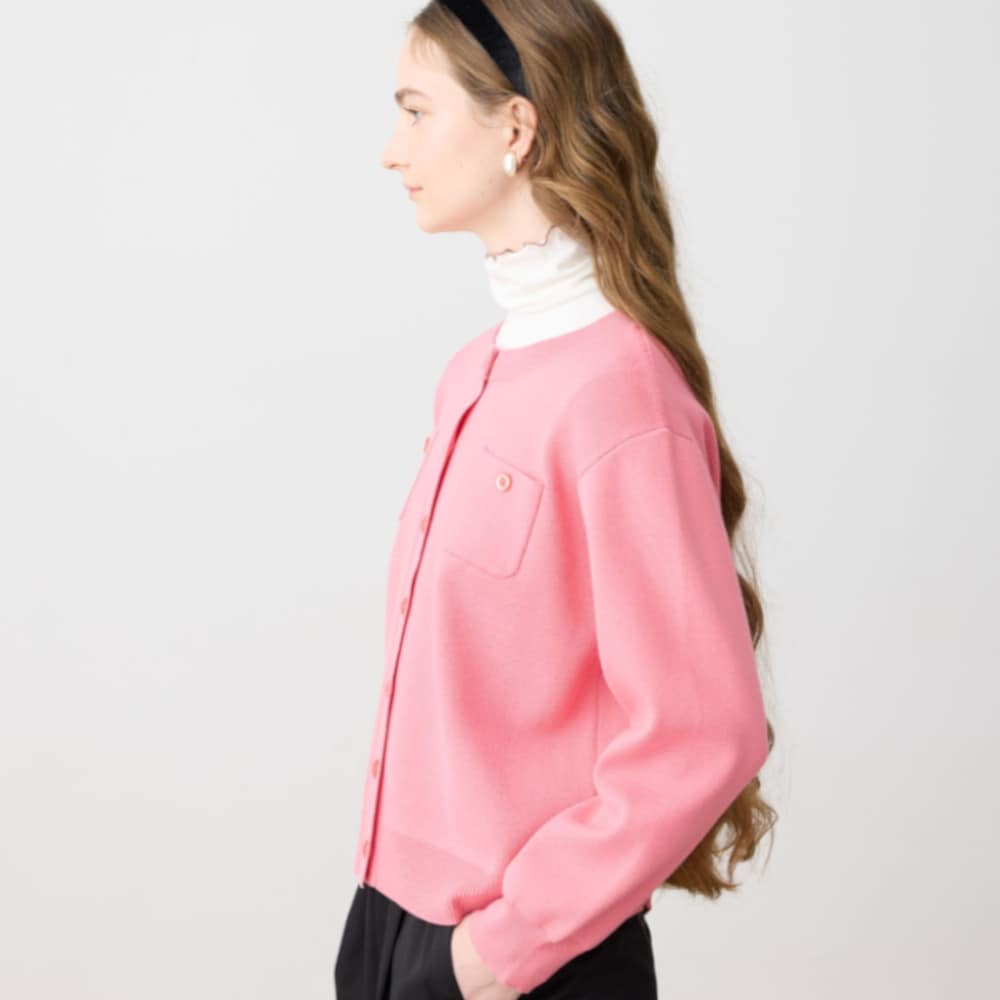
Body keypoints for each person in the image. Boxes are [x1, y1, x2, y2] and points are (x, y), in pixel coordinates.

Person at [335, 2, 778, 997]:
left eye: (415, 111)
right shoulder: (472, 372)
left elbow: (707, 731)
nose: (391, 149)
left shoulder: (622, 397)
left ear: (516, 128)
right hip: (388, 922)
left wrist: (492, 954)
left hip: (520, 960)